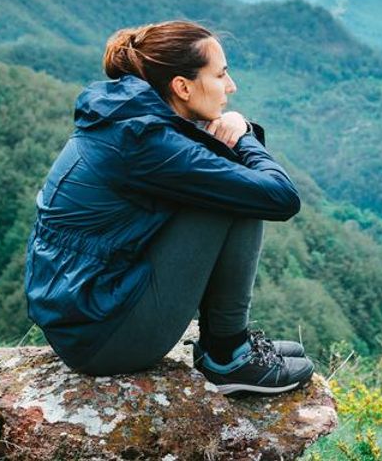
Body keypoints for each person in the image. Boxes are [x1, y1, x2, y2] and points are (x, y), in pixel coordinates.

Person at [23, 20, 313, 395]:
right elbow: (280, 197)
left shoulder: (128, 117)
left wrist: (238, 132)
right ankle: (228, 357)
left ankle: (226, 344)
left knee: (226, 184)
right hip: (102, 337)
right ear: (182, 86)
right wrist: (242, 136)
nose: (231, 87)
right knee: (230, 194)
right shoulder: (146, 142)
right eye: (221, 75)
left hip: (85, 312)